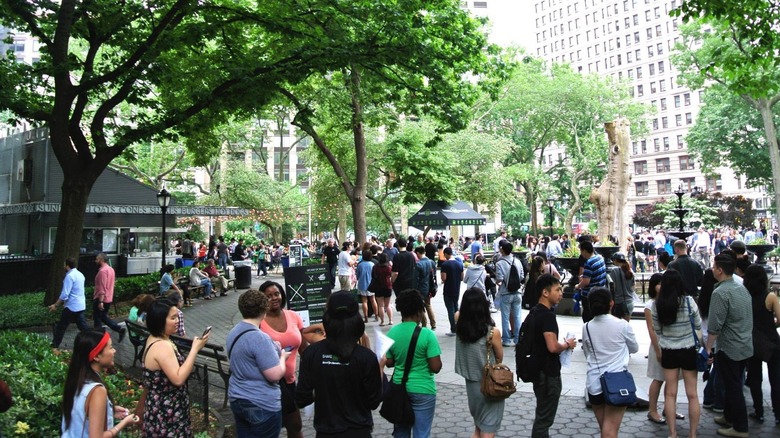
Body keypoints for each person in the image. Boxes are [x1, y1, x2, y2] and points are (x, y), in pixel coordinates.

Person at [296, 291, 383, 437]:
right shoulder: (366, 357)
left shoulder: (312, 353)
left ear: (327, 320)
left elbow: (302, 398)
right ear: (357, 320)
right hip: (359, 431)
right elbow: (374, 401)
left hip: (326, 431)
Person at [258, 281, 322, 438]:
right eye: (268, 296)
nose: (274, 298)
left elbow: (304, 349)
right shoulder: (258, 322)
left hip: (290, 381)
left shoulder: (293, 316)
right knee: (287, 424)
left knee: (293, 425)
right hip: (269, 383)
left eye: (276, 294)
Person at [228, 289, 291, 438]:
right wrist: (282, 357)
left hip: (238, 398)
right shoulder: (259, 338)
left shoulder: (235, 331)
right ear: (265, 309)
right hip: (260, 402)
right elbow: (274, 375)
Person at [142, 299, 209, 437]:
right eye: (173, 318)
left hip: (163, 407)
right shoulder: (162, 345)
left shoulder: (157, 338)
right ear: (160, 321)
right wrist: (194, 349)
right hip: (167, 412)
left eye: (177, 316)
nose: (177, 320)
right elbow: (178, 379)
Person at [706, 253, 754, 438]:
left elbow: (714, 326)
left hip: (729, 347)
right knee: (732, 382)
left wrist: (708, 348)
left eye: (713, 266)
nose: (711, 269)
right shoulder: (741, 288)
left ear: (719, 270)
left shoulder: (720, 292)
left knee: (733, 387)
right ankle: (728, 416)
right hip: (744, 345)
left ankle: (740, 427)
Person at [384, 289, 442, 437]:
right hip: (423, 389)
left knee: (401, 432)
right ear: (419, 311)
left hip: (399, 388)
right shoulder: (427, 334)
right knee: (421, 433)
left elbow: (389, 362)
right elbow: (435, 367)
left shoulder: (392, 333)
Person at [582, 287, 639, 438]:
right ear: (611, 303)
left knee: (605, 428)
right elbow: (634, 348)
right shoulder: (622, 325)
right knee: (610, 430)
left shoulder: (586, 327)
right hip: (617, 383)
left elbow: (588, 352)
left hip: (594, 383)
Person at [61, 330, 141, 437]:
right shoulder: (97, 390)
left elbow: (81, 413)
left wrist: (109, 411)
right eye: (111, 347)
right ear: (96, 356)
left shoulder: (77, 379)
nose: (114, 351)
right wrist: (124, 423)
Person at [652, 269, 702, 438]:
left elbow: (657, 329)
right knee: (692, 394)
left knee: (670, 393)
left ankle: (672, 433)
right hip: (688, 350)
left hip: (669, 350)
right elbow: (698, 325)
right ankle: (693, 434)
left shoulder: (658, 304)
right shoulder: (689, 301)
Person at [529, 274, 576, 437]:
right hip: (548, 374)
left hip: (538, 371)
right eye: (557, 290)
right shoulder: (547, 316)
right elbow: (552, 347)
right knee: (544, 420)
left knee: (542, 413)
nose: (561, 293)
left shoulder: (534, 312)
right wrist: (567, 344)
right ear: (545, 293)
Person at [454, 287, 504, 438]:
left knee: (478, 427)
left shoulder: (459, 323)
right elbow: (499, 357)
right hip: (489, 384)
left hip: (471, 384)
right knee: (487, 428)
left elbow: (459, 313)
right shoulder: (492, 332)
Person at [644, 273, 684, 425]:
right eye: (659, 284)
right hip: (658, 345)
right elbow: (651, 329)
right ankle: (652, 410)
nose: (662, 287)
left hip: (671, 344)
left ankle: (669, 408)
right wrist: (658, 349)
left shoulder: (668, 302)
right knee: (658, 378)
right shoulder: (650, 305)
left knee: (672, 379)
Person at [743, 264, 780, 425]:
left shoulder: (743, 296)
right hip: (772, 342)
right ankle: (778, 414)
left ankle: (759, 412)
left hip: (752, 342)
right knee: (776, 380)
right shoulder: (770, 296)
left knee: (755, 379)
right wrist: (773, 324)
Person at [49, 258, 90, 350]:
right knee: (83, 327)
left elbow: (64, 294)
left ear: (67, 266)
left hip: (71, 306)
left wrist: (55, 305)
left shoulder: (69, 276)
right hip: (80, 305)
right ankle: (94, 341)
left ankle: (54, 345)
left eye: (64, 265)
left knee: (61, 327)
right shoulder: (80, 275)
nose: (64, 266)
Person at [92, 253, 126, 342]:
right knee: (102, 317)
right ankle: (118, 329)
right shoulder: (111, 269)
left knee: (97, 319)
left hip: (101, 298)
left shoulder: (102, 271)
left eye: (97, 259)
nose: (95, 261)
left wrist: (100, 301)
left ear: (102, 260)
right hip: (108, 298)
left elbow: (102, 287)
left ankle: (99, 339)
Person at [495, 240, 523, 346]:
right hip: (517, 293)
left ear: (502, 250)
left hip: (505, 293)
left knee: (505, 317)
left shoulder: (499, 263)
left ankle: (506, 340)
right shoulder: (518, 261)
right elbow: (521, 276)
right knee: (517, 316)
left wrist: (500, 283)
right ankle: (517, 339)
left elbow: (499, 279)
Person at [574, 241, 607, 323]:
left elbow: (586, 282)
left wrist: (578, 286)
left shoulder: (589, 263)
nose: (581, 253)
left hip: (590, 295)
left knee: (588, 317)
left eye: (581, 251)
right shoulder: (599, 257)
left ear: (584, 251)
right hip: (601, 291)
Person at [440, 247, 464, 337]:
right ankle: (459, 327)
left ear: (446, 254)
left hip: (448, 290)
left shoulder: (445, 265)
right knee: (456, 308)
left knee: (450, 310)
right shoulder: (459, 264)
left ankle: (453, 329)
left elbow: (444, 278)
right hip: (456, 289)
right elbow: (462, 278)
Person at [413, 246, 437, 330]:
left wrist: (414, 289)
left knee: (420, 307)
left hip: (420, 288)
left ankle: (424, 324)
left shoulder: (418, 264)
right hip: (429, 287)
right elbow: (434, 276)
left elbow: (416, 279)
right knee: (428, 305)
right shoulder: (431, 262)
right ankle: (433, 324)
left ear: (418, 253)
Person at [608, 253, 635, 322]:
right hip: (629, 302)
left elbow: (612, 287)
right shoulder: (630, 271)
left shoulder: (614, 271)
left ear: (616, 261)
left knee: (616, 327)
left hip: (618, 302)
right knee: (625, 326)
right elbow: (633, 287)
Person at [356, 250, 378, 324]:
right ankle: (376, 316)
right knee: (373, 300)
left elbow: (357, 276)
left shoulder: (360, 265)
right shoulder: (372, 264)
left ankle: (365, 317)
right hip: (371, 284)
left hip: (362, 284)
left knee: (364, 301)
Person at [372, 253, 394, 326]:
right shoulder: (388, 267)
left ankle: (382, 321)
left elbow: (373, 276)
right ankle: (390, 320)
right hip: (387, 286)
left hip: (378, 287)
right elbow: (391, 275)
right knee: (387, 305)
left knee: (380, 306)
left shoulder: (375, 267)